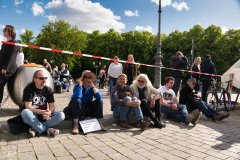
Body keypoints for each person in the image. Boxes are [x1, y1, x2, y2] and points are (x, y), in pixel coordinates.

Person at [21, 70, 65, 137]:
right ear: (34, 79)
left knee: (61, 115)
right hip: (33, 116)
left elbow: (52, 106)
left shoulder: (48, 90)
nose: (44, 80)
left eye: (45, 78)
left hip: (44, 117)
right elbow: (28, 107)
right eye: (41, 78)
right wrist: (41, 112)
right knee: (25, 112)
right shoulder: (28, 89)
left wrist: (49, 112)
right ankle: (47, 130)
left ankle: (35, 128)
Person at [66, 70, 106, 134]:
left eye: (89, 77)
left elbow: (99, 97)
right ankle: (75, 125)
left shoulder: (91, 87)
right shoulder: (77, 87)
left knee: (100, 101)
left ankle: (100, 123)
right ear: (82, 78)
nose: (87, 78)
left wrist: (93, 86)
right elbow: (77, 97)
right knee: (77, 100)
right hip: (77, 108)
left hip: (87, 108)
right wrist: (80, 85)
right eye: (85, 77)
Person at [0, 25, 18, 108]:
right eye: (3, 29)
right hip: (2, 68)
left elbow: (11, 57)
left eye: (5, 30)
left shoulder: (14, 43)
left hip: (9, 69)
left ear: (10, 31)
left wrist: (5, 69)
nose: (3, 31)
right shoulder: (4, 43)